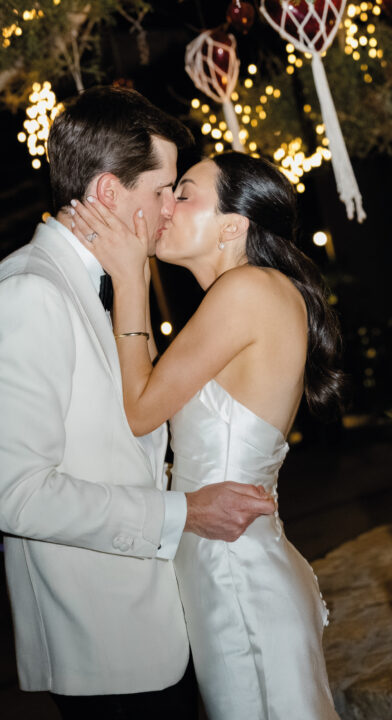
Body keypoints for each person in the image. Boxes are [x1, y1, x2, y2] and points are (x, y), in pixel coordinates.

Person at [0, 88, 274, 720]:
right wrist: (185, 512)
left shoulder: (111, 281)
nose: (170, 208)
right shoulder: (30, 292)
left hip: (161, 627)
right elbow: (17, 494)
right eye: (163, 190)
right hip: (103, 643)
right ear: (107, 192)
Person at [70, 150, 343, 719]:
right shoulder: (250, 292)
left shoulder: (247, 290)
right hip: (232, 563)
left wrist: (129, 277)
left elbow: (140, 410)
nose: (166, 206)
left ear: (233, 226)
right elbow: (146, 382)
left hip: (234, 576)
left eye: (184, 194)